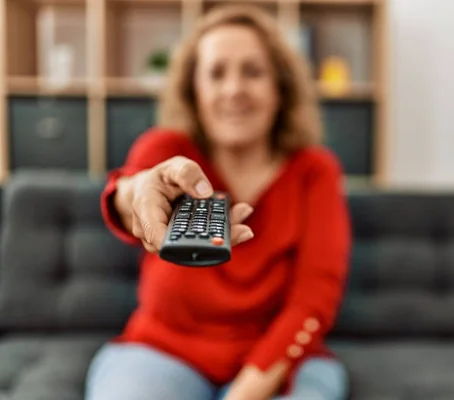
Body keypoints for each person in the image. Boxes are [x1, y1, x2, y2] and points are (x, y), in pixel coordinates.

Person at [85, 4, 352, 400]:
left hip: (280, 358)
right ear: (194, 90)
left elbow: (316, 296)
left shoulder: (315, 171)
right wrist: (134, 194)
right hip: (162, 349)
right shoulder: (166, 150)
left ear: (280, 88)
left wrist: (247, 390)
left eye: (253, 72)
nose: (234, 89)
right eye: (216, 73)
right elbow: (126, 197)